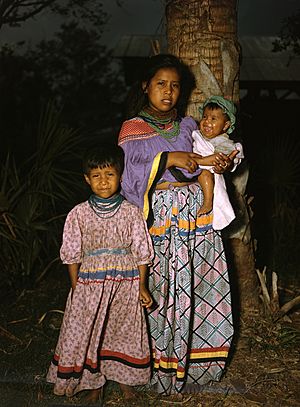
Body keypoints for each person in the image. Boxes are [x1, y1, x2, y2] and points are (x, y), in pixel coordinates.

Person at [118, 54, 237, 397]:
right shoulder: (132, 128)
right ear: (145, 86)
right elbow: (129, 173)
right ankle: (155, 363)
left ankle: (197, 365)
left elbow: (208, 154)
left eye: (174, 85)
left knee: (196, 285)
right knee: (159, 287)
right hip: (157, 217)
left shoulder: (187, 126)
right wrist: (168, 158)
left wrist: (222, 160)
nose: (168, 91)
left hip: (194, 216)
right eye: (160, 84)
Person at [46, 145, 154, 404]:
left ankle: (125, 381)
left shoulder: (130, 212)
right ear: (87, 178)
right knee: (93, 331)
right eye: (96, 175)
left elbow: (142, 251)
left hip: (125, 284)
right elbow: (71, 255)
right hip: (91, 284)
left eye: (110, 174)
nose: (103, 181)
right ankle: (94, 383)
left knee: (123, 331)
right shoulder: (78, 214)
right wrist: (77, 287)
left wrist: (142, 286)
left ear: (120, 176)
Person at [192, 95, 244, 230]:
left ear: (226, 125)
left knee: (204, 174)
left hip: (208, 172)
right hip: (192, 176)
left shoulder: (223, 140)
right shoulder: (197, 135)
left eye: (213, 119)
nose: (207, 121)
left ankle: (208, 201)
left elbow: (224, 156)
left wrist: (224, 162)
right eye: (205, 117)